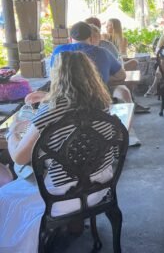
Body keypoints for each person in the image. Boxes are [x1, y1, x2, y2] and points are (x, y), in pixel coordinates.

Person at [0, 51, 116, 252]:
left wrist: (12, 134)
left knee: (6, 196)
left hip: (63, 198)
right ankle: (69, 229)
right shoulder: (102, 104)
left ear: (57, 76)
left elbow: (19, 157)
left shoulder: (51, 111)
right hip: (100, 186)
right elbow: (73, 106)